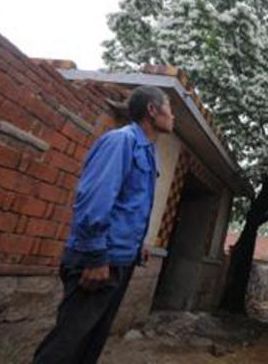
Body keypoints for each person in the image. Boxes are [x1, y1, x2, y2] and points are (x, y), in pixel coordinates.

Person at [33, 85, 174, 364]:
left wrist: (137, 244)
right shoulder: (121, 141)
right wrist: (95, 255)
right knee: (66, 348)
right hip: (98, 261)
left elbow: (129, 205)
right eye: (169, 108)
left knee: (88, 347)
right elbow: (94, 200)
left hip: (119, 260)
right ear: (152, 110)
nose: (173, 116)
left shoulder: (147, 151)